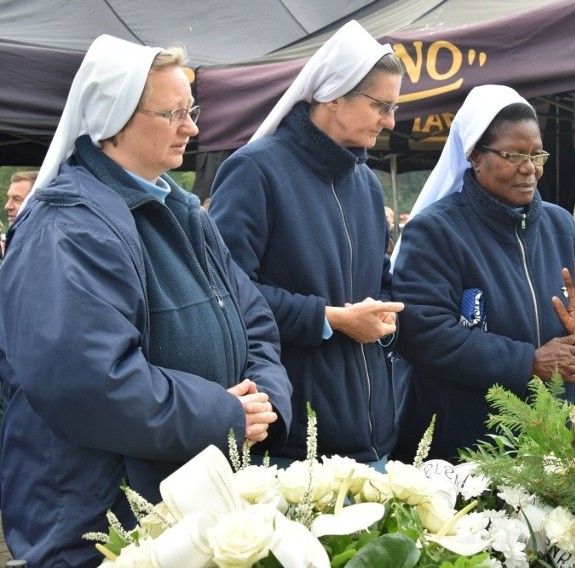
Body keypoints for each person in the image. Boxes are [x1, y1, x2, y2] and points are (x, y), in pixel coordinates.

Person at [0, 35, 293, 566]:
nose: (193, 127)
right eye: (174, 112)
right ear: (115, 120)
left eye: (192, 110)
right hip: (103, 523)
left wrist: (264, 402)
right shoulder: (67, 227)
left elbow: (254, 319)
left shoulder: (183, 210)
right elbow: (87, 384)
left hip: (182, 506)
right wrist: (225, 414)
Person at [210, 21, 404, 468]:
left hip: (375, 436)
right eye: (381, 105)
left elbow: (380, 280)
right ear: (335, 95)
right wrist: (328, 319)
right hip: (294, 444)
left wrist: (387, 314)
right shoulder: (255, 171)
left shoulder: (368, 185)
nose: (390, 121)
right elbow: (226, 295)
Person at [390, 85, 575, 463]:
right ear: (476, 156)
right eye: (512, 155)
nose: (530, 168)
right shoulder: (435, 231)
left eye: (537, 154)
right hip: (465, 445)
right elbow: (422, 332)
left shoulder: (562, 227)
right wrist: (528, 362)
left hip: (554, 439)